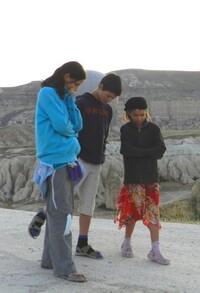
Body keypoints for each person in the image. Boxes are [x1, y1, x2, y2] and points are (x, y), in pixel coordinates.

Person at [29, 74, 123, 261]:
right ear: (100, 86)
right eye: (108, 95)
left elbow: (103, 134)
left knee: (89, 203)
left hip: (97, 161)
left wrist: (102, 153)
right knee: (65, 199)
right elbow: (70, 127)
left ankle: (82, 243)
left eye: (112, 98)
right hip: (78, 160)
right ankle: (42, 214)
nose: (109, 100)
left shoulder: (107, 109)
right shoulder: (81, 102)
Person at [32, 61, 88, 282]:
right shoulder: (47, 94)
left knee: (57, 213)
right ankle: (65, 268)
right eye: (76, 84)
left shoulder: (64, 97)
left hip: (67, 161)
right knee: (62, 214)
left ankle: (50, 260)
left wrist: (71, 100)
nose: (76, 88)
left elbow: (77, 125)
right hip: (55, 163)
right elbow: (62, 126)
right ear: (67, 77)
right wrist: (70, 131)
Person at [114, 97, 169, 265]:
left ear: (146, 113)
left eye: (142, 114)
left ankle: (155, 249)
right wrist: (147, 152)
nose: (139, 118)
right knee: (131, 213)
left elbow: (161, 150)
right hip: (133, 178)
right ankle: (127, 242)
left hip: (151, 178)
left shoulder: (154, 129)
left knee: (153, 213)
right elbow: (126, 150)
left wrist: (140, 152)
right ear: (128, 114)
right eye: (135, 115)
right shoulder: (125, 130)